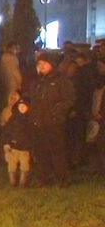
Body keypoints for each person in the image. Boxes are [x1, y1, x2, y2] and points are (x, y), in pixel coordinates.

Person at [30, 53, 76, 187]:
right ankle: (42, 177)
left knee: (58, 151)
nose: (41, 66)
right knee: (41, 151)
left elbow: (70, 99)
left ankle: (61, 178)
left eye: (44, 63)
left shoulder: (61, 80)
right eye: (39, 64)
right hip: (39, 121)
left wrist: (58, 110)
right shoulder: (37, 81)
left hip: (55, 122)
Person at [1, 97, 34, 186]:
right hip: (13, 147)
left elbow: (32, 135)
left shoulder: (30, 120)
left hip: (25, 149)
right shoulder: (13, 119)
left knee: (25, 165)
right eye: (20, 106)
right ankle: (13, 182)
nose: (22, 108)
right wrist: (7, 142)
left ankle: (23, 182)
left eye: (24, 106)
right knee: (12, 165)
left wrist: (31, 145)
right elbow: (6, 131)